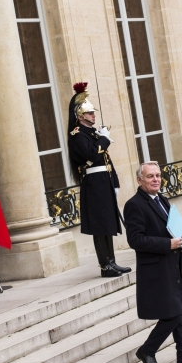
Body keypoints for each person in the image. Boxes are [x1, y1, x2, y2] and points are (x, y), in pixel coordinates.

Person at [124, 162, 182, 363]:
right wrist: (167, 244)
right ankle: (147, 350)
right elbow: (135, 240)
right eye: (150, 176)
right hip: (156, 271)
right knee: (175, 314)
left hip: (174, 265)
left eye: (158, 175)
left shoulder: (161, 199)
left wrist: (179, 239)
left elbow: (168, 228)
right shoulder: (134, 205)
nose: (155, 179)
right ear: (139, 180)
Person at [67, 82, 130, 277]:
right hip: (94, 183)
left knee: (108, 223)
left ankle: (111, 261)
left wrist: (116, 182)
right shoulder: (78, 135)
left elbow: (107, 161)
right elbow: (93, 155)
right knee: (99, 225)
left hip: (104, 181)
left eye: (93, 113)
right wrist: (104, 140)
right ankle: (105, 265)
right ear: (80, 116)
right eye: (89, 113)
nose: (94, 115)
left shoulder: (93, 133)